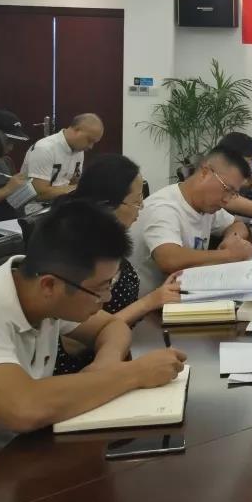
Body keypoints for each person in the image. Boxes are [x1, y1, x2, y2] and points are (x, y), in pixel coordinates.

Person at [0, 200, 186, 498]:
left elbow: (112, 327)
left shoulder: (39, 293)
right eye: (101, 288)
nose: (107, 298)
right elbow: (24, 407)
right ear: (49, 286)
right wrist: (133, 374)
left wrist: (104, 366)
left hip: (5, 466)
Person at [53, 154, 182, 375]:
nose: (141, 207)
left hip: (120, 352)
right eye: (137, 200)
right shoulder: (77, 250)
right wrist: (149, 302)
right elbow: (74, 343)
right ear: (108, 205)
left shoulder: (107, 241)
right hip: (80, 371)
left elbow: (111, 326)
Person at [127, 146, 252, 291]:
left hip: (185, 292)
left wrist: (232, 240)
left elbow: (237, 224)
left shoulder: (206, 204)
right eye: (227, 189)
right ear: (205, 173)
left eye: (233, 193)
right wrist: (228, 254)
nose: (227, 200)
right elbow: (169, 260)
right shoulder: (164, 207)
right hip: (151, 301)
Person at [21, 113, 104, 213]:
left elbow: (75, 181)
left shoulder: (78, 150)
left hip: (61, 204)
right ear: (77, 130)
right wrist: (79, 188)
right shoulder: (44, 148)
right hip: (35, 210)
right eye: (89, 140)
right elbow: (39, 194)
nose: (90, 147)